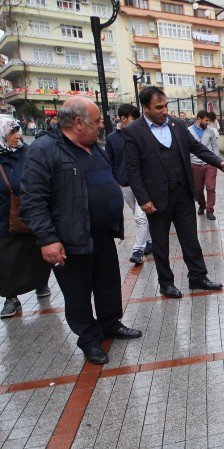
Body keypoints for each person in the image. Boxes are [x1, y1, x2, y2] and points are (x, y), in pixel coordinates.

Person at [20, 97, 142, 364]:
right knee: (78, 293)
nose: (101, 125)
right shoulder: (44, 150)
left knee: (108, 283)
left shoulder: (92, 147)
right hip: (70, 238)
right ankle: (89, 339)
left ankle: (110, 324)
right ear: (78, 123)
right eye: (97, 121)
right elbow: (33, 200)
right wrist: (48, 239)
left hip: (102, 233)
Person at [122, 86, 224, 299]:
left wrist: (220, 163)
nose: (164, 111)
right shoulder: (133, 132)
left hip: (183, 192)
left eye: (165, 106)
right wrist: (143, 198)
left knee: (190, 238)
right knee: (161, 243)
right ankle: (166, 283)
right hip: (156, 198)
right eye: (158, 107)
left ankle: (198, 276)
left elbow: (197, 148)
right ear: (145, 108)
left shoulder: (176, 124)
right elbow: (132, 169)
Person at [0, 115, 51, 318]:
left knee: (36, 253)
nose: (18, 136)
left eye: (17, 130)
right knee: (7, 260)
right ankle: (11, 298)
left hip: (31, 213)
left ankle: (41, 283)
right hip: (3, 218)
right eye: (12, 132)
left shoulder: (28, 152)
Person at [106, 103, 153, 264]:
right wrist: (115, 181)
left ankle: (137, 250)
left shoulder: (141, 134)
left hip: (142, 183)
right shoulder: (112, 138)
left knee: (141, 216)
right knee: (139, 215)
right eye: (133, 120)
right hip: (124, 185)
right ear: (123, 119)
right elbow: (110, 161)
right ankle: (150, 241)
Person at [188, 110, 219, 220]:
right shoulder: (188, 131)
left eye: (209, 121)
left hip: (210, 164)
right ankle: (202, 205)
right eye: (206, 120)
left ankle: (210, 210)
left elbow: (215, 147)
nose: (207, 123)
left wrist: (216, 161)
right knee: (198, 189)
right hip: (195, 164)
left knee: (210, 187)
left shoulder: (210, 131)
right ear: (199, 119)